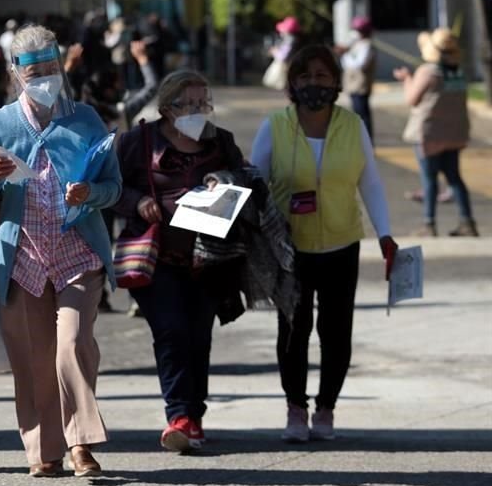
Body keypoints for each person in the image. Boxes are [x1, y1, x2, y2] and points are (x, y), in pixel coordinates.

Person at [0, 24, 121, 478]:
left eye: (52, 69)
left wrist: (89, 193)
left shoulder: (85, 119)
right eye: (35, 73)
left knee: (72, 344)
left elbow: (114, 187)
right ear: (16, 74)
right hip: (21, 259)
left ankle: (81, 444)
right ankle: (42, 450)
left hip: (77, 254)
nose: (45, 79)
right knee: (32, 357)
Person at [250, 45, 397, 442]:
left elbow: (370, 182)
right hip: (289, 246)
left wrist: (385, 234)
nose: (313, 84)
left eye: (321, 76)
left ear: (335, 81)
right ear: (292, 83)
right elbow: (252, 183)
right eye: (304, 77)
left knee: (336, 332)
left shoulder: (353, 125)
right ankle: (295, 409)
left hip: (341, 243)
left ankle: (326, 407)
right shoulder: (275, 126)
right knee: (294, 330)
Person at [110, 70, 245, 452]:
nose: (200, 110)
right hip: (157, 258)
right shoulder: (140, 141)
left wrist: (224, 178)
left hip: (206, 258)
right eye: (190, 103)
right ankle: (179, 415)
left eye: (204, 102)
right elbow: (112, 188)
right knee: (171, 331)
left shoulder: (220, 142)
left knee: (199, 335)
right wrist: (137, 201)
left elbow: (245, 177)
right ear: (168, 108)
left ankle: (193, 416)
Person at [394, 28, 479, 237]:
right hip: (454, 133)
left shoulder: (428, 71)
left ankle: (429, 224)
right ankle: (467, 221)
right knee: (454, 178)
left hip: (429, 133)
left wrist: (406, 79)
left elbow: (411, 100)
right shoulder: (458, 72)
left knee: (429, 179)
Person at [339, 16, 377, 140]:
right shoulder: (356, 44)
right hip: (352, 85)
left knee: (362, 116)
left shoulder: (367, 46)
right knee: (356, 114)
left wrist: (346, 54)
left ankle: (367, 142)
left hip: (361, 86)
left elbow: (360, 64)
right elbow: (346, 64)